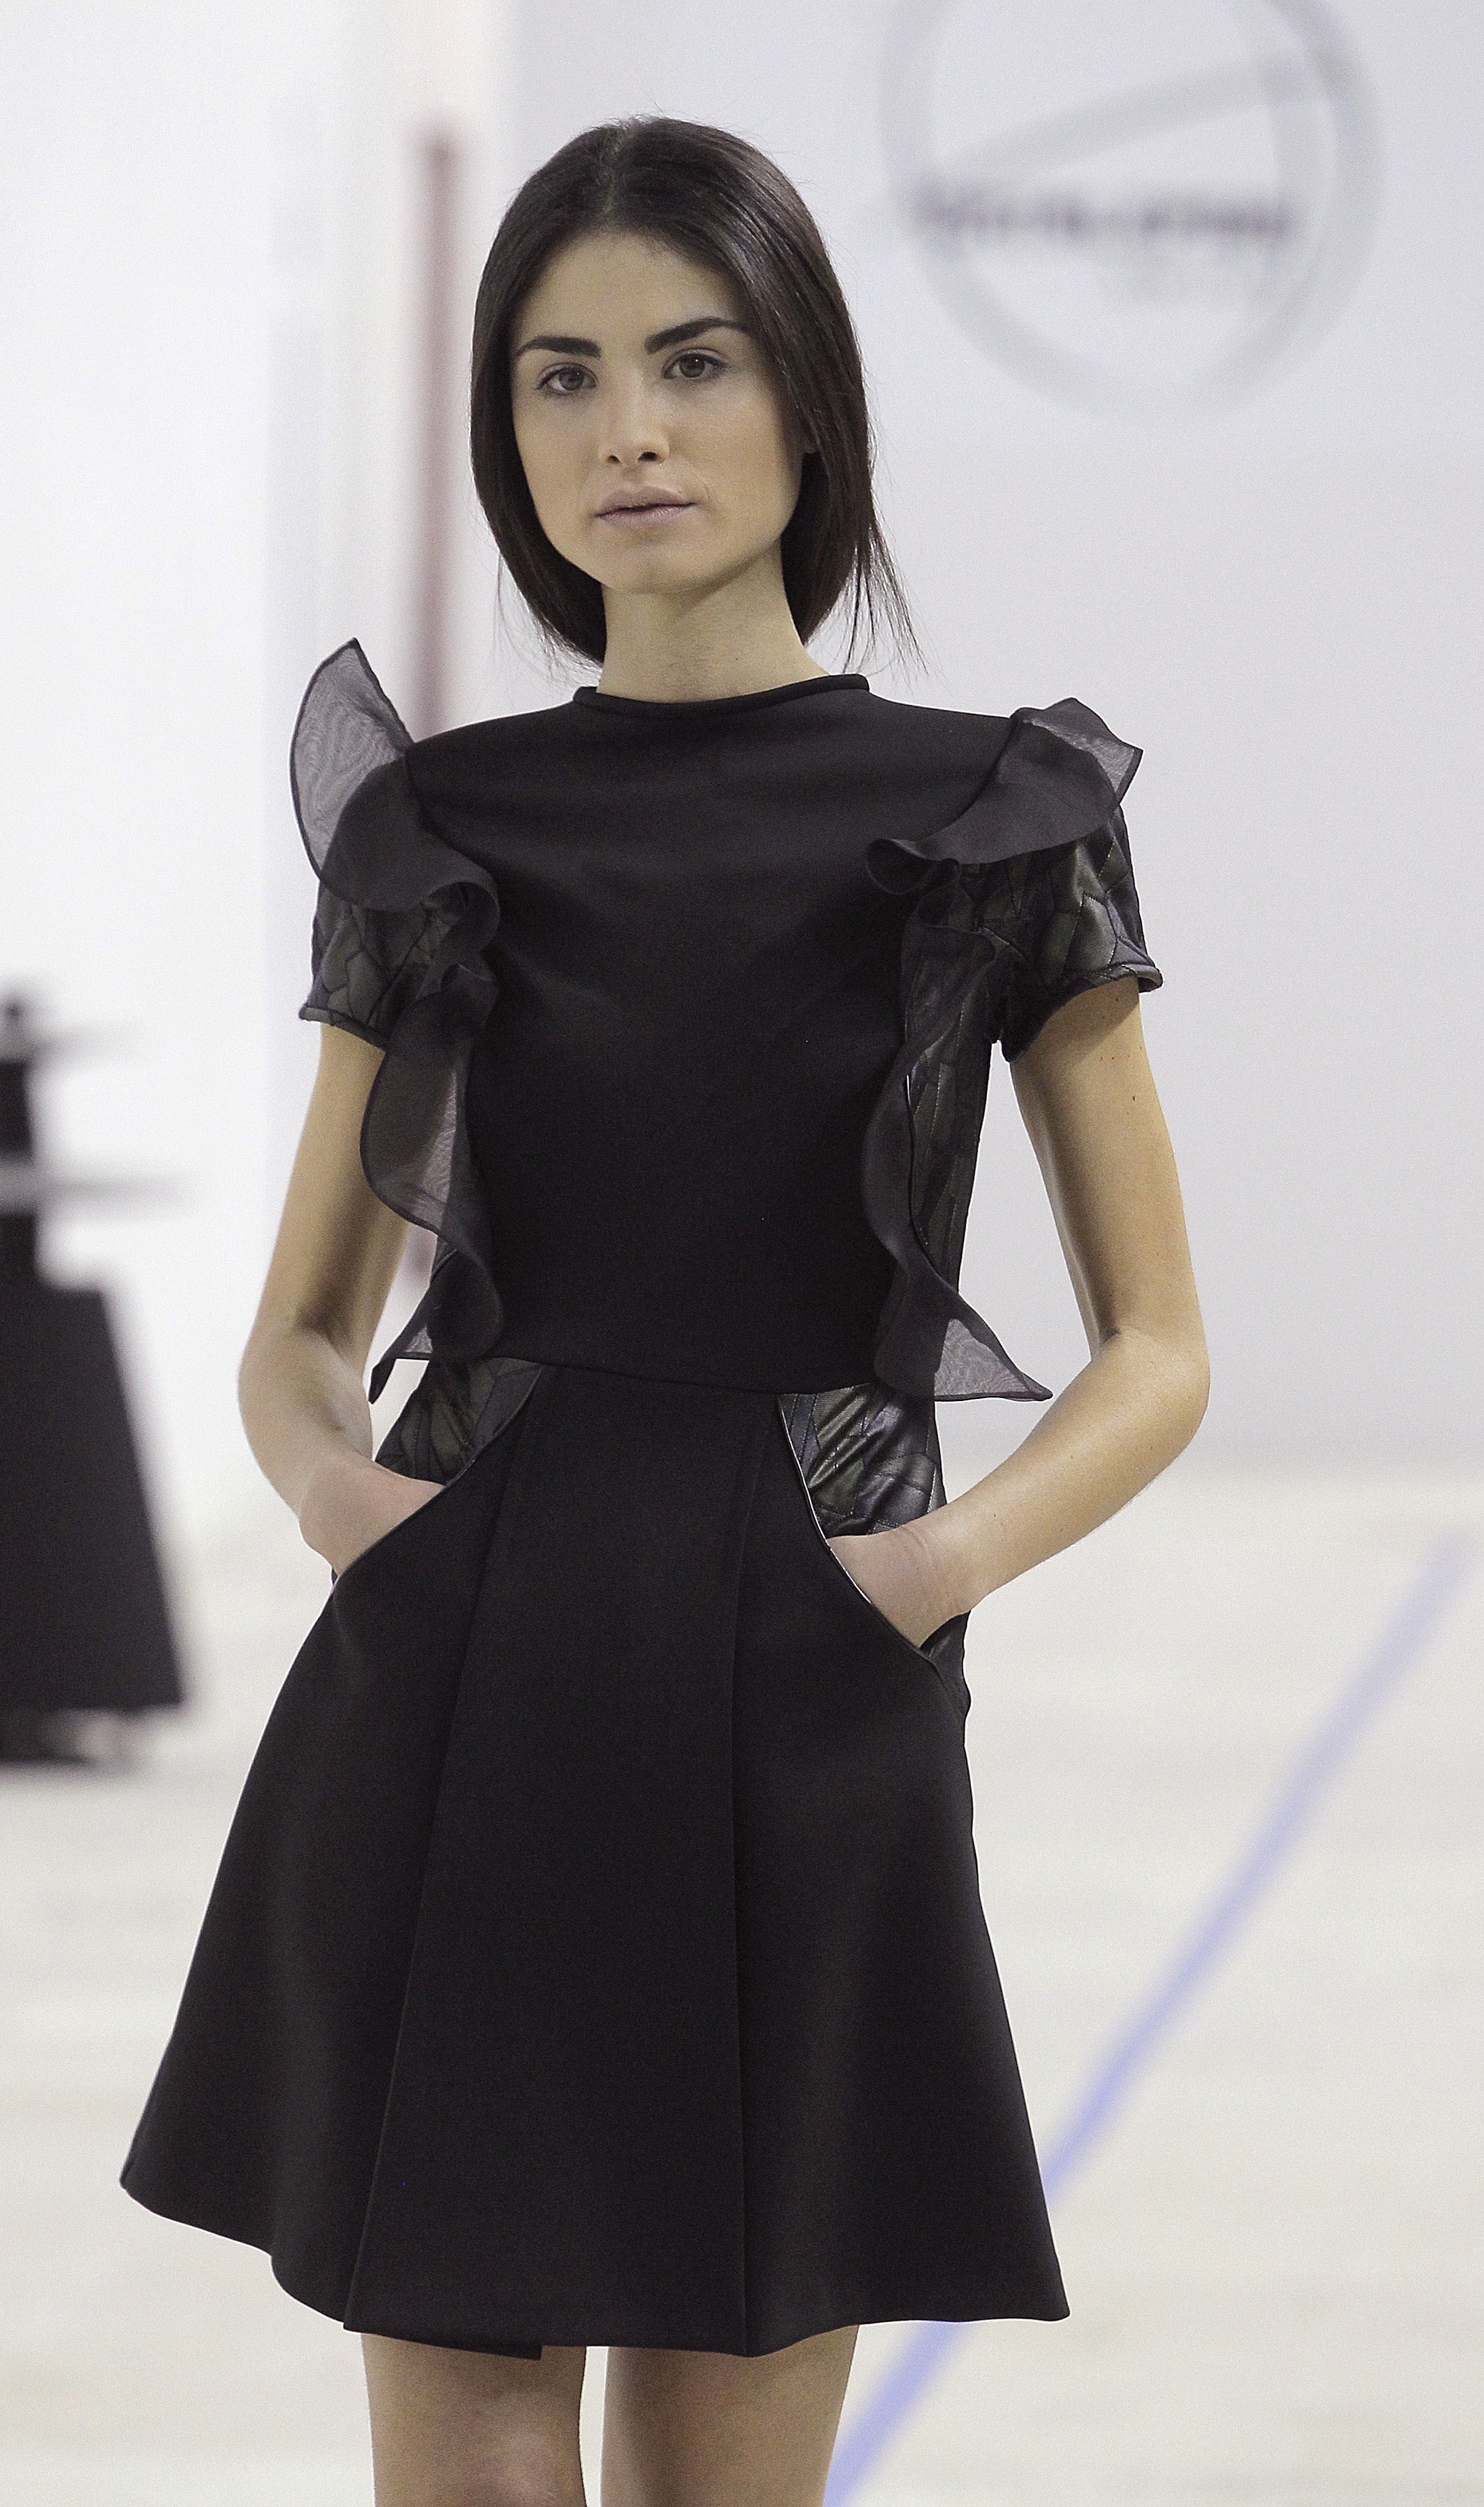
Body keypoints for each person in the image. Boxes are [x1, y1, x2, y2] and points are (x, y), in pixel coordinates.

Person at [122, 116, 1209, 2507]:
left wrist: (919, 1575)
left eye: (692, 362)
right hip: (459, 1673)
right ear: (506, 430)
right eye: (562, 376)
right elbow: (299, 1330)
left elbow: (1161, 1349)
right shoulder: (440, 825)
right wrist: (358, 1517)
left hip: (811, 1689)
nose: (626, 429)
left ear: (807, 398)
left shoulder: (996, 816)